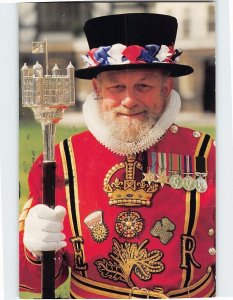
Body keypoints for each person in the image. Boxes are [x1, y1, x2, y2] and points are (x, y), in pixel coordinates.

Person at [19, 13, 216, 298]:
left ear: (166, 88)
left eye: (143, 86)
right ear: (97, 89)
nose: (129, 100)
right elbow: (32, 280)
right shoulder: (60, 161)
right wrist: (34, 251)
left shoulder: (208, 155)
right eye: (116, 87)